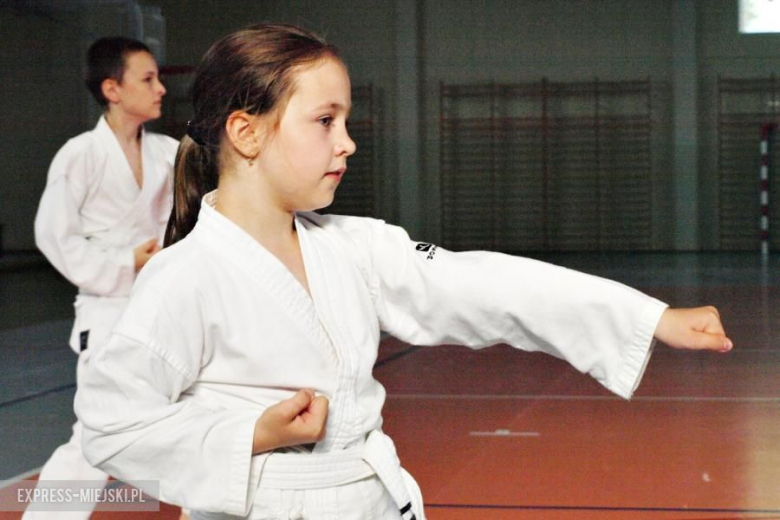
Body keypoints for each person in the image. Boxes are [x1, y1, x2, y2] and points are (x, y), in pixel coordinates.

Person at [74, 24, 732, 520]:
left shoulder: (354, 249)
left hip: (370, 498)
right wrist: (252, 432)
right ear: (247, 134)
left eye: (347, 121)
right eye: (326, 120)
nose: (348, 141)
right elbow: (112, 422)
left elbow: (484, 283)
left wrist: (646, 315)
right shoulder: (186, 276)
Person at [28, 37, 178, 519]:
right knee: (94, 439)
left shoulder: (168, 153)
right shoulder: (81, 155)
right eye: (148, 79)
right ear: (112, 89)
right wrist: (125, 262)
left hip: (165, 311)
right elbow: (55, 237)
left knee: (199, 420)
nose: (161, 90)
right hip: (109, 310)